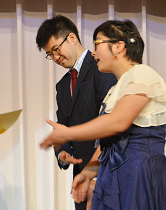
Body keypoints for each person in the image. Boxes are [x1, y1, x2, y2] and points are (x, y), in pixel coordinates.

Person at [40, 19, 166, 210]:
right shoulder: (116, 89)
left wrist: (68, 133)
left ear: (119, 47)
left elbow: (117, 123)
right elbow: (108, 142)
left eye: (97, 44)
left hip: (139, 177)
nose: (93, 52)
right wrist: (87, 173)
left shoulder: (143, 74)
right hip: (115, 175)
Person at [36, 15, 116, 209]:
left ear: (72, 38)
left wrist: (95, 174)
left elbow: (111, 125)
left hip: (108, 175)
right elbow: (62, 127)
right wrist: (62, 152)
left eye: (56, 49)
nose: (55, 58)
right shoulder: (62, 86)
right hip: (81, 180)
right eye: (50, 54)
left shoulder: (101, 67)